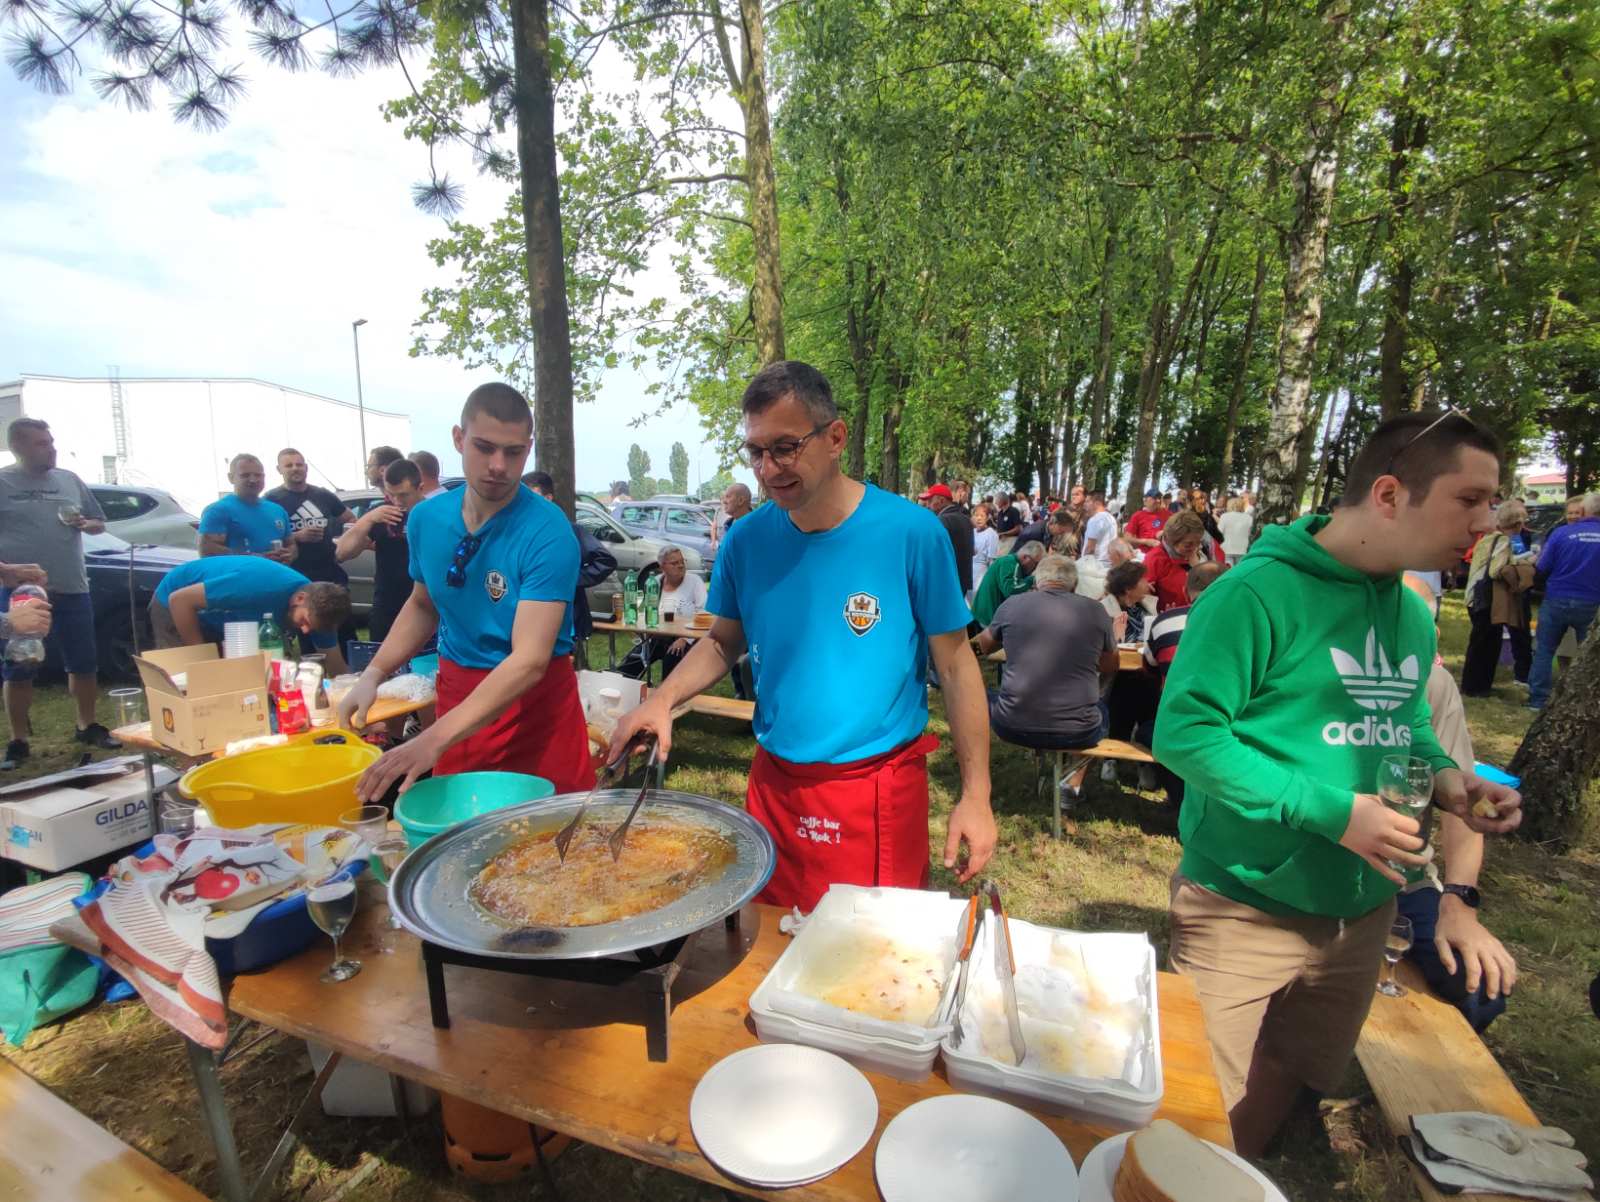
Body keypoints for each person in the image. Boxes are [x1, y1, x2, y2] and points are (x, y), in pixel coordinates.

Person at [1154, 409, 1524, 1156]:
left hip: (1364, 910)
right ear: (1389, 494)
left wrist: (1453, 783)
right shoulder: (1256, 594)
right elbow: (1185, 734)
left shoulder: (1413, 616)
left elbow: (1406, 721)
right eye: (1469, 499)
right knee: (1189, 1103)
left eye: (1494, 501)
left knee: (1286, 1071)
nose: (1488, 521)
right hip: (1243, 903)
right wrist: (1330, 810)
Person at [606, 360, 996, 911]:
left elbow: (956, 667)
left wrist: (976, 794)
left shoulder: (912, 534)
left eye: (786, 447)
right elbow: (723, 642)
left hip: (874, 792)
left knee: (874, 970)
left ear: (835, 437)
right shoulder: (746, 540)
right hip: (775, 787)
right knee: (766, 953)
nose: (769, 469)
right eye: (756, 452)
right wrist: (664, 698)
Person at [340, 384, 594, 799]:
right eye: (484, 447)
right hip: (459, 698)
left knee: (553, 842)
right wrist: (374, 673)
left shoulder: (548, 532)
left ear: (528, 450)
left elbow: (529, 660)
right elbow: (423, 604)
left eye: (513, 452)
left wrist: (429, 740)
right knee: (463, 837)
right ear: (459, 439)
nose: (498, 465)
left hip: (534, 709)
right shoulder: (425, 519)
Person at [1398, 573, 1517, 1032]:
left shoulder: (1434, 685)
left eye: (1423, 625)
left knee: (1482, 987)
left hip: (1403, 885)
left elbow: (1462, 806)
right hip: (1317, 882)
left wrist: (1459, 901)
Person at [0, 419, 122, 767]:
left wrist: (89, 524)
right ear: (18, 447)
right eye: (41, 443)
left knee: (84, 661)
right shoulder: (3, 482)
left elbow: (98, 520)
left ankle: (87, 724)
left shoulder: (68, 480)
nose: (51, 448)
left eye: (51, 441)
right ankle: (18, 740)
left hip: (72, 585)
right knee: (19, 664)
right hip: (21, 593)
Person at [976, 555, 1116, 796]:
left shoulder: (1012, 605)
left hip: (1012, 725)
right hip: (1078, 731)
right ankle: (1072, 784)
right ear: (1074, 584)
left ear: (1037, 582)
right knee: (1102, 710)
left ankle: (978, 775)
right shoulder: (1096, 610)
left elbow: (983, 647)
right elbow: (1110, 666)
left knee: (983, 696)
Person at [150, 558, 350, 661]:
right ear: (299, 599)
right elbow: (180, 601)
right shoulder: (260, 585)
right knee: (187, 676)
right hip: (175, 601)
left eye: (311, 628)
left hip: (228, 617)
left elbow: (334, 663)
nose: (305, 631)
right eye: (304, 622)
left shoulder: (321, 613)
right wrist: (201, 657)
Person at [267, 448, 357, 652]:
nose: (295, 469)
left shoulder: (322, 495)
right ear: (279, 469)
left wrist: (343, 541)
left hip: (329, 571)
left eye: (299, 464)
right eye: (289, 465)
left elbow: (351, 519)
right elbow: (268, 539)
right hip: (297, 575)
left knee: (343, 627)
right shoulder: (272, 500)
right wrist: (298, 536)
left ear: (306, 467)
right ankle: (315, 672)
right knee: (309, 631)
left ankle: (351, 672)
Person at [523, 470, 619, 659]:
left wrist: (572, 579)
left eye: (532, 498)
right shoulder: (521, 534)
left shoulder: (569, 531)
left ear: (548, 498)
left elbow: (605, 560)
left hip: (567, 622)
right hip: (530, 621)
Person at [335, 458, 429, 643]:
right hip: (387, 605)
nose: (397, 502)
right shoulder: (382, 513)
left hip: (426, 605)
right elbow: (342, 553)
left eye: (403, 495)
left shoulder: (434, 513)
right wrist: (367, 519)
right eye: (391, 494)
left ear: (420, 488)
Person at [1527, 492, 1600, 710]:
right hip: (1591, 603)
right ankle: (1585, 702)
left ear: (1584, 511)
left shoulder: (1561, 533)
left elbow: (1541, 567)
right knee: (1589, 656)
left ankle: (1538, 700)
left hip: (1557, 598)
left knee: (1544, 650)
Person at [1460, 500, 1535, 696]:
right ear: (1517, 523)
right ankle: (1477, 687)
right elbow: (1496, 570)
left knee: (1479, 642)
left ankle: (1473, 685)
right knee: (1486, 645)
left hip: (1474, 596)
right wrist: (1521, 568)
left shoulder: (1487, 538)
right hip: (1488, 600)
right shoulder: (1503, 541)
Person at [626, 543, 705, 679]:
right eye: (674, 563)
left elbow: (703, 613)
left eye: (682, 562)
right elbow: (646, 611)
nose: (680, 566)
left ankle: (666, 696)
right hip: (657, 636)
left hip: (685, 637)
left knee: (672, 658)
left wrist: (685, 639)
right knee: (630, 664)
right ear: (662, 567)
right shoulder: (655, 582)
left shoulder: (694, 582)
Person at [199, 455, 294, 560]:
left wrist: (289, 555)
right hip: (239, 575)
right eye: (245, 475)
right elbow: (208, 552)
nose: (253, 480)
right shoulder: (217, 511)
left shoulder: (278, 511)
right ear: (231, 478)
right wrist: (258, 559)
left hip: (274, 575)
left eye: (258, 475)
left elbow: (291, 545)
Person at [1143, 509, 1224, 611]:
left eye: (1198, 542)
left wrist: (1197, 566)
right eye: (1188, 544)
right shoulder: (1154, 560)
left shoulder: (1206, 547)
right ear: (1172, 541)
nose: (1195, 547)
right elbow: (1144, 600)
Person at [971, 540, 1045, 629]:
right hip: (988, 618)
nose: (1036, 567)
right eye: (1036, 563)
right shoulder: (1010, 563)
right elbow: (1010, 590)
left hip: (984, 614)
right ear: (1025, 557)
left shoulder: (1011, 562)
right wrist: (1031, 580)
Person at [919, 483, 974, 598]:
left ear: (941, 500)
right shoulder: (965, 519)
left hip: (944, 582)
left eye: (930, 501)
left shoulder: (941, 520)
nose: (928, 505)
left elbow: (930, 554)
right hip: (962, 581)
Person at [1102, 561, 1157, 645]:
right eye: (1142, 580)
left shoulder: (1145, 603)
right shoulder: (1106, 612)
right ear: (1128, 589)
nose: (1147, 582)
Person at [970, 504, 1000, 597]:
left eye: (982, 516)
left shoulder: (991, 534)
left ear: (987, 518)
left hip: (981, 573)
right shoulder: (972, 532)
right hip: (970, 571)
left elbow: (992, 561)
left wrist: (990, 580)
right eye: (976, 515)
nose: (978, 518)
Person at [1081, 491, 1118, 566]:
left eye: (1087, 501)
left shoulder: (1095, 519)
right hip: (1108, 564)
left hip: (1095, 566)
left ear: (1097, 503)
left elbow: (1090, 548)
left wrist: (1082, 564)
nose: (1084, 504)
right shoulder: (1111, 518)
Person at [1217, 496, 1254, 566]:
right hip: (1242, 548)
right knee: (1239, 571)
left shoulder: (1224, 516)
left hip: (1227, 548)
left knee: (1227, 570)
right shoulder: (1249, 518)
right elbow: (1250, 533)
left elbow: (1219, 532)